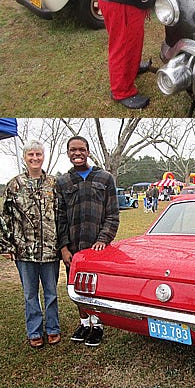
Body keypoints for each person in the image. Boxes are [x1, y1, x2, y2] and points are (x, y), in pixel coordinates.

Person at [57, 136, 120, 347]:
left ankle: (98, 325)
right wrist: (64, 248)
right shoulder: (63, 181)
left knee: (97, 287)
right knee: (77, 287)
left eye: (81, 149)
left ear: (88, 151)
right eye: (73, 150)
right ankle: (84, 323)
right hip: (75, 249)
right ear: (67, 153)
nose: (77, 153)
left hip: (98, 247)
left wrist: (103, 239)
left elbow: (113, 215)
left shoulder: (105, 178)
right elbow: (60, 217)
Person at [0, 141, 61, 349]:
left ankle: (53, 329)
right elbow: (5, 217)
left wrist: (63, 243)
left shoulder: (53, 183)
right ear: (25, 158)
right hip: (24, 250)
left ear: (43, 156)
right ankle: (34, 331)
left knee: (51, 293)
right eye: (31, 155)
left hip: (51, 250)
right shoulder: (14, 184)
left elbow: (61, 215)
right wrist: (6, 245)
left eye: (38, 154)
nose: (35, 158)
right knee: (30, 294)